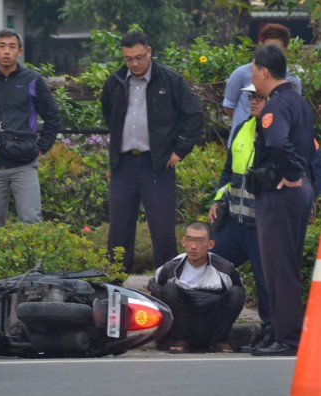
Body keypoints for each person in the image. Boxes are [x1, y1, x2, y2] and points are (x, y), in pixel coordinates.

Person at [101, 32, 204, 272]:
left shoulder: (170, 80)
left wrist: (179, 150)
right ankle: (115, 286)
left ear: (149, 51)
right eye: (128, 59)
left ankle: (166, 287)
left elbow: (195, 115)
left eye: (139, 57)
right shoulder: (115, 81)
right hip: (123, 165)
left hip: (157, 165)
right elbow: (109, 113)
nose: (134, 64)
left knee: (162, 232)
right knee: (118, 232)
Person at [247, 45, 315, 356]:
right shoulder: (298, 101)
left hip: (280, 193)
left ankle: (287, 338)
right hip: (292, 194)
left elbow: (277, 141)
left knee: (279, 267)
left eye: (252, 72)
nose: (253, 78)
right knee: (280, 265)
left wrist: (291, 172)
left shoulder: (276, 106)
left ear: (263, 72)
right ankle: (277, 332)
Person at [0, 29, 61, 227]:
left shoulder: (32, 80)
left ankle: (33, 260)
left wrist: (41, 148)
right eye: (2, 46)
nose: (6, 51)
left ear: (20, 51)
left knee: (31, 221)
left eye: (12, 47)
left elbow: (53, 117)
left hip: (24, 163)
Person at [207, 83, 271, 350]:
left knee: (266, 283)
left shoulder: (279, 130)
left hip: (262, 226)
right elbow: (228, 173)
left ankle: (271, 335)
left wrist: (307, 202)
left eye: (258, 97)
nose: (252, 101)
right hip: (235, 223)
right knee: (209, 270)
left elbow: (316, 169)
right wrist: (218, 199)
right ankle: (212, 334)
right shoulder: (244, 127)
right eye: (250, 97)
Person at [151, 221, 245, 353]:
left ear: (210, 244)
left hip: (212, 318)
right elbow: (157, 296)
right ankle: (181, 339)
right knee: (169, 290)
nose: (193, 247)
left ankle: (219, 341)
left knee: (237, 293)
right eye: (189, 240)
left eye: (200, 241)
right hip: (184, 319)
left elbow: (237, 297)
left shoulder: (226, 269)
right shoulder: (169, 269)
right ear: (183, 242)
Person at [222, 23, 301, 148]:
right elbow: (229, 107)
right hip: (242, 145)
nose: (272, 54)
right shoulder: (241, 73)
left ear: (286, 50)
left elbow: (294, 112)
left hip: (273, 144)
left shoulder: (293, 80)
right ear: (261, 47)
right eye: (268, 48)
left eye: (277, 50)